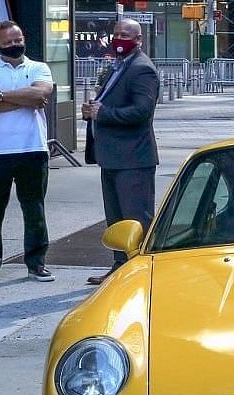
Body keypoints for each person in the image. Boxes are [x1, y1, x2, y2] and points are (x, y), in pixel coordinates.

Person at [0, 21, 54, 284]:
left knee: (34, 209)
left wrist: (1, 96)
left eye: (17, 39)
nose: (14, 45)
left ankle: (36, 263)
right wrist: (25, 98)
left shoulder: (39, 67)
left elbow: (41, 95)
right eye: (7, 42)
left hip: (33, 148)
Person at [82, 18, 159, 285]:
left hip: (133, 158)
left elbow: (142, 111)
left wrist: (104, 113)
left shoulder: (141, 69)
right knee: (116, 219)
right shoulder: (117, 66)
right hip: (112, 157)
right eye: (115, 34)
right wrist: (92, 112)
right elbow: (105, 103)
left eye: (125, 35)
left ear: (138, 40)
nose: (118, 38)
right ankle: (119, 266)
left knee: (135, 218)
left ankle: (140, 271)